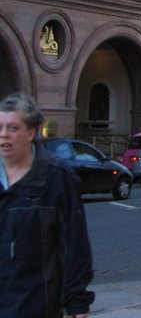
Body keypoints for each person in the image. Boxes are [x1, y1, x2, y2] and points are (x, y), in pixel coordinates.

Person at [0, 92, 94, 318]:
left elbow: (74, 243)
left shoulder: (56, 178)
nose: (3, 135)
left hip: (36, 305)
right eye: (0, 127)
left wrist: (77, 301)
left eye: (13, 128)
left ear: (31, 132)